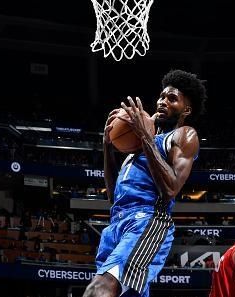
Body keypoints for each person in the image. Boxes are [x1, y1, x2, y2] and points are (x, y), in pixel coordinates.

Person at [82, 69, 207, 297]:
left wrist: (145, 138)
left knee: (98, 289)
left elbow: (171, 188)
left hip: (147, 221)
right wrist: (107, 147)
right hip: (116, 223)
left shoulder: (184, 135)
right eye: (161, 96)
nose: (162, 101)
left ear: (186, 110)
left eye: (172, 98)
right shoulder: (137, 145)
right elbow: (113, 198)